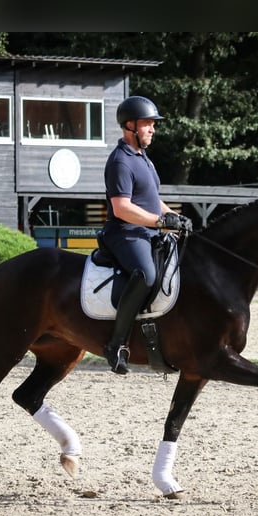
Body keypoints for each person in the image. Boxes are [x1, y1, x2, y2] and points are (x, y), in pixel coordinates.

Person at [101, 95, 192, 375]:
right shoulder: (120, 161)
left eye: (154, 124)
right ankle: (116, 344)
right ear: (130, 126)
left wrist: (174, 218)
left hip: (145, 230)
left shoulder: (144, 159)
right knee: (146, 274)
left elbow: (152, 201)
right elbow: (122, 207)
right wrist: (160, 221)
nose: (153, 129)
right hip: (124, 233)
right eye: (148, 124)